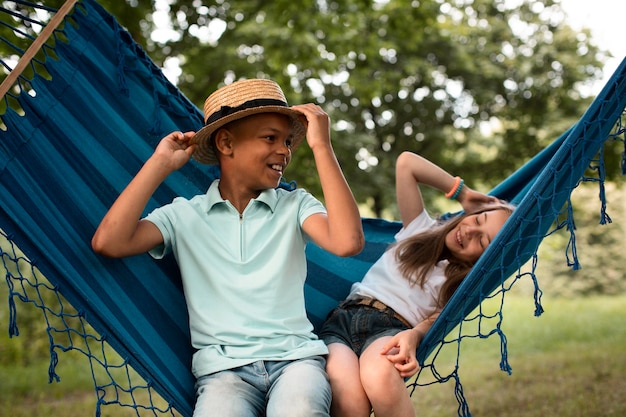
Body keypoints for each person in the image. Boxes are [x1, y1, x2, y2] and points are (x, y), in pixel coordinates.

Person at [91, 78, 364, 417]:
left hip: (296, 362)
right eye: (270, 138)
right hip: (224, 374)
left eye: (289, 141)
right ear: (226, 143)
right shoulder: (183, 214)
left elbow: (348, 242)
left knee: (300, 409)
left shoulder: (295, 206)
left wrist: (322, 147)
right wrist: (160, 164)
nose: (285, 151)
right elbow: (109, 242)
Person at [318, 151, 515, 417]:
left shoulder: (461, 281)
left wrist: (414, 335)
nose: (469, 231)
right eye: (478, 220)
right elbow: (406, 163)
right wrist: (462, 193)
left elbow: (437, 318)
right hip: (342, 321)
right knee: (349, 400)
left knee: (379, 376)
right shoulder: (419, 229)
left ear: (485, 259)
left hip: (391, 328)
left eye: (482, 241)